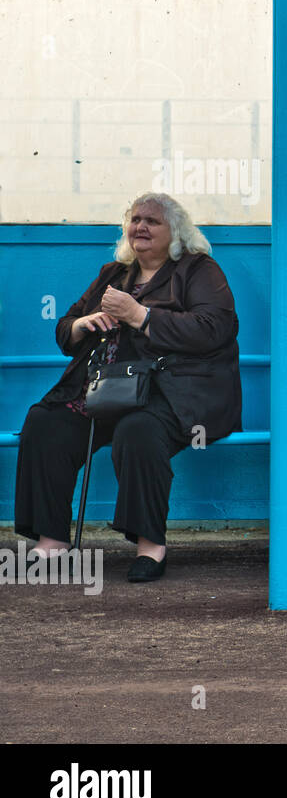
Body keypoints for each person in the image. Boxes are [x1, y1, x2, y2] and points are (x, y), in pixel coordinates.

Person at [14, 192, 241, 582]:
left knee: (137, 432)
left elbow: (215, 328)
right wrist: (82, 325)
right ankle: (52, 539)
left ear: (176, 231)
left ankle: (150, 546)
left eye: (152, 220)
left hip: (173, 392)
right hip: (107, 389)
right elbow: (66, 326)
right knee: (45, 422)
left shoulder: (199, 270)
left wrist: (140, 316)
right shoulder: (114, 273)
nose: (141, 227)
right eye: (135, 219)